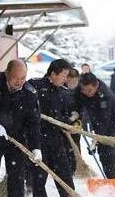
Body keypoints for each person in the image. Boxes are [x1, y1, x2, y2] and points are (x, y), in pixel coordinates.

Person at [0, 59, 42, 197]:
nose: (19, 82)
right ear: (6, 73)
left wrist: (36, 147)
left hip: (16, 142)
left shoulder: (30, 93)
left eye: (23, 78)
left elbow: (34, 122)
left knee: (17, 183)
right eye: (15, 78)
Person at [28, 59, 75, 197]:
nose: (66, 79)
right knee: (39, 180)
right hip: (37, 142)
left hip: (56, 141)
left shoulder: (62, 92)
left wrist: (68, 125)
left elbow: (63, 115)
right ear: (53, 73)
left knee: (65, 178)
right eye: (64, 75)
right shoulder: (34, 86)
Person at [75, 73, 115, 178]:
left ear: (96, 86)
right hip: (96, 115)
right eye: (83, 90)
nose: (85, 93)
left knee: (107, 146)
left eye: (89, 91)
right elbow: (75, 100)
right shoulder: (82, 89)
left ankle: (111, 178)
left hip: (113, 120)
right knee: (101, 148)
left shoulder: (105, 96)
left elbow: (103, 123)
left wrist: (95, 142)